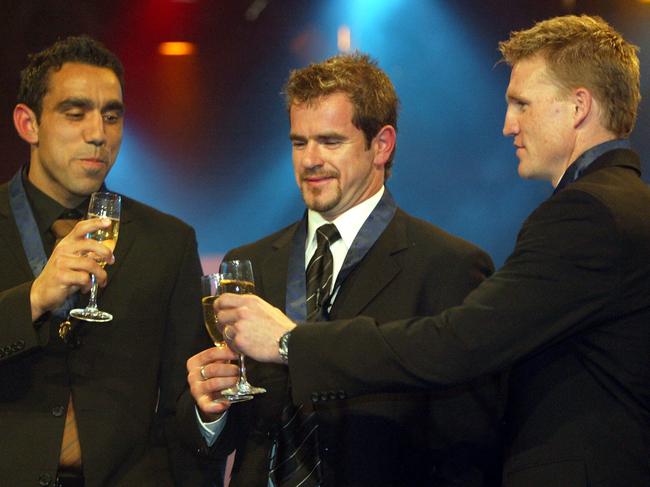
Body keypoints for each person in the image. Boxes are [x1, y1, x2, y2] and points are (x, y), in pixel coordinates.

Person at [215, 15, 650, 487]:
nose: (508, 125)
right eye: (299, 142)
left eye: (521, 104)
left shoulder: (584, 215)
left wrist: (288, 342)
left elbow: (455, 343)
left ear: (578, 106)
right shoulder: (624, 206)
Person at [181, 53, 505, 486]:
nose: (309, 159)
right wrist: (209, 412)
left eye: (330, 141)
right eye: (299, 142)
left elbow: (469, 446)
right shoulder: (250, 264)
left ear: (382, 145)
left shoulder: (447, 267)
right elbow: (228, 435)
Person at [0, 36, 212, 486]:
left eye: (111, 116)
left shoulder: (169, 242)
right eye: (75, 113)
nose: (98, 133)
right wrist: (34, 299)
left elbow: (184, 401)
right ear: (28, 123)